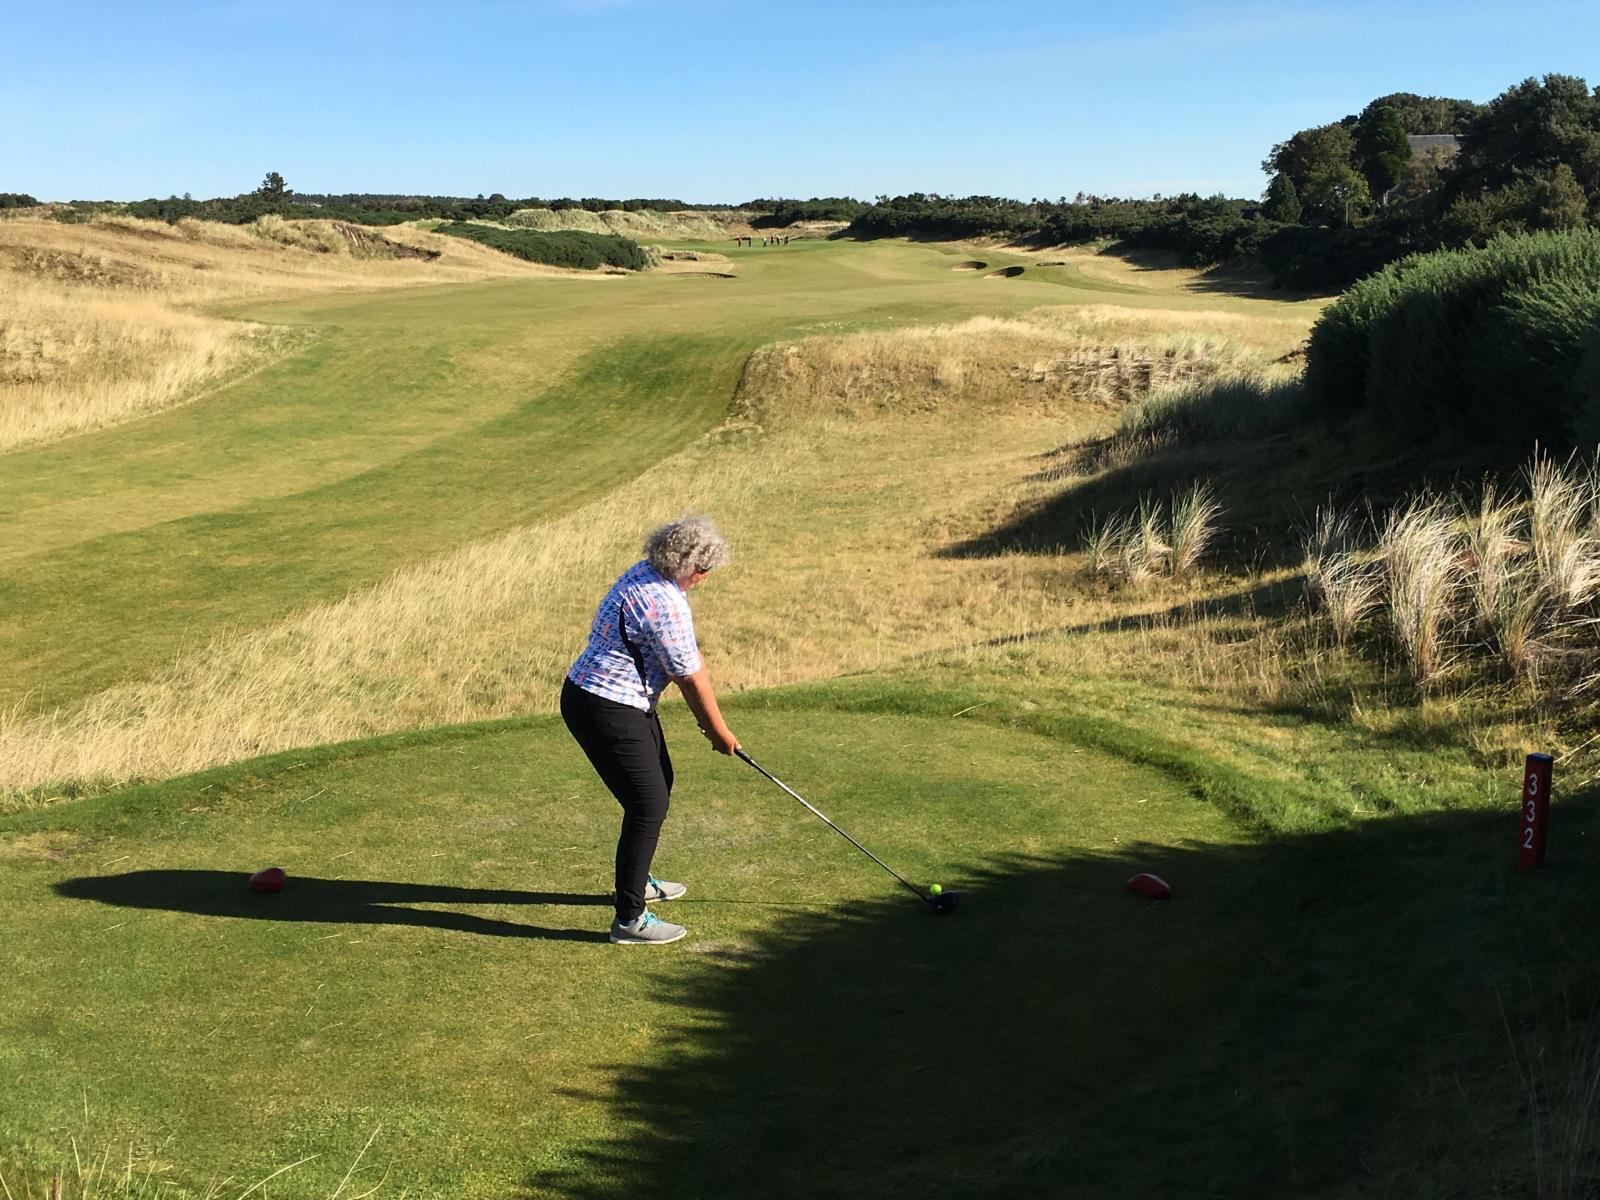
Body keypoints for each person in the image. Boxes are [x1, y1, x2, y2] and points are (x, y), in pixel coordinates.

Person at [561, 515, 739, 944]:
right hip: (606, 706)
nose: (705, 577)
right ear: (684, 563)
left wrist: (715, 728)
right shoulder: (664, 603)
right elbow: (689, 678)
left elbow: (690, 661)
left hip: (605, 699)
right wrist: (718, 732)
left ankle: (636, 881)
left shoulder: (647, 573)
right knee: (648, 804)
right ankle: (630, 919)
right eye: (703, 569)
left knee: (659, 784)